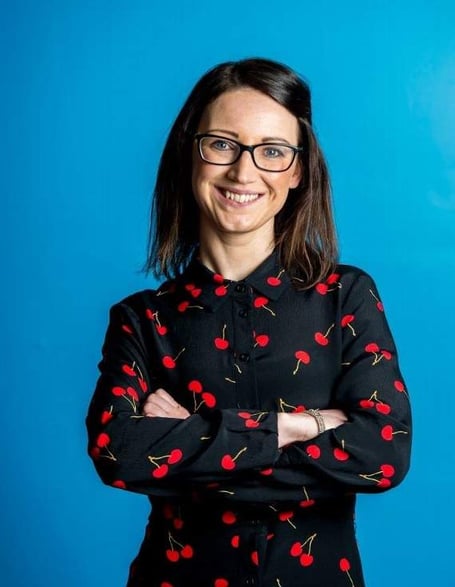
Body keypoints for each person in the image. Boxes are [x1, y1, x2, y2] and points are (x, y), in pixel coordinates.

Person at [86, 57, 412, 587]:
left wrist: (191, 440)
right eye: (222, 144)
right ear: (189, 153)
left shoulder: (346, 297)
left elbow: (382, 452)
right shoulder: (141, 319)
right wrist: (298, 426)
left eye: (272, 151)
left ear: (298, 171)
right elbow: (117, 452)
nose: (243, 172)